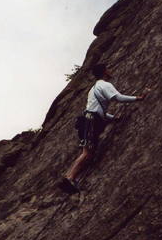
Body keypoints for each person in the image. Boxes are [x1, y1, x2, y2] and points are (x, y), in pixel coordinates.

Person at [60, 63, 148, 193]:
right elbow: (118, 98)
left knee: (88, 152)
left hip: (88, 119)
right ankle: (70, 177)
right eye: (108, 69)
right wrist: (138, 98)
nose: (110, 71)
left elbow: (97, 109)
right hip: (91, 121)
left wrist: (112, 117)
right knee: (87, 152)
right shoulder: (105, 85)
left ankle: (69, 177)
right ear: (104, 72)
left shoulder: (94, 88)